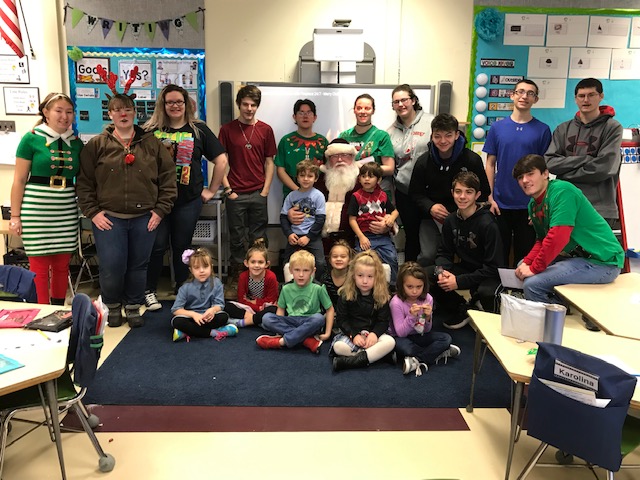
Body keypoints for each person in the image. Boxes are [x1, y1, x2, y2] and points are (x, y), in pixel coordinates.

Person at [77, 93, 177, 328]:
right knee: (112, 265)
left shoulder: (151, 143)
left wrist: (160, 211)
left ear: (134, 113)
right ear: (110, 114)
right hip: (109, 219)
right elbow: (84, 183)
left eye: (127, 109)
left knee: (138, 265)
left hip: (145, 218)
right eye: (117, 110)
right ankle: (112, 305)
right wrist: (93, 212)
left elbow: (168, 179)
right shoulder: (97, 145)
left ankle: (133, 306)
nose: (123, 113)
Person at [143, 84, 228, 310]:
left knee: (182, 246)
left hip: (188, 200)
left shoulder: (198, 129)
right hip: (157, 202)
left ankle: (182, 289)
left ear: (187, 104)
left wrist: (211, 190)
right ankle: (149, 290)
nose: (175, 106)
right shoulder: (150, 129)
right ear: (162, 104)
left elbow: (221, 160)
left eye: (179, 102)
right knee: (157, 246)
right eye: (170, 102)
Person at [513, 154, 624, 305]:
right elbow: (542, 240)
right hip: (575, 258)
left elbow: (558, 236)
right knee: (521, 266)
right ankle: (562, 303)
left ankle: (558, 322)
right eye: (520, 177)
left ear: (545, 174)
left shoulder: (563, 192)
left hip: (602, 262)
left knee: (533, 285)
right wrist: (527, 262)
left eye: (530, 174)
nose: (525, 180)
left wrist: (534, 268)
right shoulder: (533, 205)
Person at [9, 92, 83, 305]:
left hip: (66, 208)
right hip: (37, 209)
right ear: (46, 113)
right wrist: (15, 216)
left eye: (69, 112)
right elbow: (20, 180)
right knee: (39, 268)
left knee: (62, 266)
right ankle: (41, 311)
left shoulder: (76, 143)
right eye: (58, 111)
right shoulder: (31, 139)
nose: (64, 116)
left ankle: (58, 309)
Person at [483, 79, 552, 266]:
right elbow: (490, 164)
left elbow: (545, 170)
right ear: (512, 95)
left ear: (535, 99)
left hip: (529, 206)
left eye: (530, 93)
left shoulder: (543, 130)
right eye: (520, 92)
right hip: (500, 204)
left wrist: (539, 204)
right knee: (499, 254)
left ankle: (520, 294)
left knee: (525, 255)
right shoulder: (497, 128)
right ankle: (499, 294)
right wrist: (490, 197)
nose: (524, 96)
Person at [409, 113, 490, 267]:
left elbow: (484, 191)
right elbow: (415, 193)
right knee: (427, 256)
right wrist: (430, 207)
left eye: (448, 135)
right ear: (432, 136)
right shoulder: (423, 162)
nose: (443, 141)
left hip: (464, 217)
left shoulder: (472, 160)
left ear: (456, 135)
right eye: (438, 136)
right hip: (432, 217)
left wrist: (462, 209)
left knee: (469, 257)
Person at [426, 172, 505, 330]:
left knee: (487, 292)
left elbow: (494, 268)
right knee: (427, 275)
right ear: (452, 193)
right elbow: (443, 253)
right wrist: (442, 272)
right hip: (465, 267)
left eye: (468, 192)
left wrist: (459, 282)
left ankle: (486, 314)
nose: (462, 197)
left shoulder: (488, 224)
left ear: (477, 195)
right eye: (458, 191)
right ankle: (463, 307)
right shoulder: (450, 220)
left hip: (488, 274)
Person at [219, 85, 277, 298]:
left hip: (258, 193)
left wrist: (265, 190)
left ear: (257, 106)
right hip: (235, 193)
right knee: (236, 238)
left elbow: (270, 162)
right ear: (238, 104)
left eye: (253, 105)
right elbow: (220, 162)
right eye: (245, 104)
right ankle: (237, 279)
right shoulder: (227, 129)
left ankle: (261, 280)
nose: (249, 108)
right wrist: (227, 189)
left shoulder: (265, 130)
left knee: (259, 238)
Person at [545, 78, 623, 227]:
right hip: (566, 204)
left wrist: (565, 173)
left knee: (596, 251)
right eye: (581, 96)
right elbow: (550, 163)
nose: (586, 100)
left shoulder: (612, 128)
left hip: (600, 208)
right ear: (575, 99)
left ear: (601, 96)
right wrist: (586, 159)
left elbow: (604, 168)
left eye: (591, 95)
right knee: (564, 250)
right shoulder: (563, 129)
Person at [387, 84, 434, 262]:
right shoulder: (389, 133)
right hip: (405, 193)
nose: (401, 104)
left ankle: (433, 280)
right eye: (396, 102)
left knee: (431, 241)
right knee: (411, 237)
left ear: (413, 100)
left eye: (404, 100)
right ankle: (409, 279)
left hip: (430, 193)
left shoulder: (431, 122)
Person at [389, 262, 460, 376]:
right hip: (400, 337)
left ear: (424, 285)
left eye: (419, 287)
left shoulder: (428, 298)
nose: (414, 291)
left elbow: (426, 330)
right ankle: (436, 352)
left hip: (418, 335)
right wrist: (411, 316)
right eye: (410, 287)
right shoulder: (396, 302)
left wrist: (427, 317)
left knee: (446, 338)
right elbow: (401, 333)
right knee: (407, 349)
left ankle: (417, 360)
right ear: (402, 285)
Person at [258, 250, 334, 353]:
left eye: (306, 270)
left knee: (319, 318)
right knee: (266, 318)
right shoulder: (285, 288)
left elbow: (329, 310)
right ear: (290, 270)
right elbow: (281, 309)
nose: (301, 274)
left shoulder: (318, 288)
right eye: (297, 270)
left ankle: (283, 341)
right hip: (291, 321)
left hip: (309, 322)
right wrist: (278, 331)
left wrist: (328, 333)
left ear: (313, 271)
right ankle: (306, 340)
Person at [331, 250, 396, 372]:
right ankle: (375, 356)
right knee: (338, 347)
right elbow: (342, 319)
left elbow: (383, 321)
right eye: (360, 276)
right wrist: (353, 335)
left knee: (390, 342)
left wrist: (374, 334)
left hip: (373, 335)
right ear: (353, 275)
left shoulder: (381, 295)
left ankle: (350, 361)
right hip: (352, 335)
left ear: (377, 277)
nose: (365, 281)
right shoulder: (345, 294)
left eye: (370, 276)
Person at [171, 248, 238, 342]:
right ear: (191, 270)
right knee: (177, 321)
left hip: (208, 317)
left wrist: (212, 310)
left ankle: (188, 332)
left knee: (224, 317)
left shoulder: (217, 283)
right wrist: (194, 315)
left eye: (205, 266)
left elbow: (220, 305)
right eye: (197, 268)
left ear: (211, 267)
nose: (202, 271)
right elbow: (176, 309)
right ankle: (214, 333)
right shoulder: (185, 287)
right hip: (192, 318)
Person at [348, 162, 399, 282]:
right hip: (364, 237)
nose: (366, 179)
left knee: (392, 257)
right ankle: (358, 285)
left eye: (370, 176)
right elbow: (352, 219)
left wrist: (391, 218)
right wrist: (361, 237)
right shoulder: (356, 196)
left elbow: (395, 211)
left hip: (383, 237)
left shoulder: (383, 195)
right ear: (359, 179)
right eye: (363, 176)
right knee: (360, 260)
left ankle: (393, 286)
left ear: (379, 179)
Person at [339, 93, 395, 197]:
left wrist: (365, 169)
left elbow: (390, 168)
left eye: (367, 108)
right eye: (359, 108)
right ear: (354, 110)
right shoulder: (344, 136)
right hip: (349, 191)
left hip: (374, 193)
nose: (363, 111)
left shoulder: (381, 136)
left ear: (373, 111)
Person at [280, 160, 327, 277]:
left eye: (310, 176)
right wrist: (289, 234)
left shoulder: (318, 196)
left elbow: (320, 219)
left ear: (316, 179)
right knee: (286, 263)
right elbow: (284, 217)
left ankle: (317, 287)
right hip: (294, 236)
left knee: (320, 263)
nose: (306, 179)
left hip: (312, 236)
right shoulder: (291, 196)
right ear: (297, 177)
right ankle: (290, 286)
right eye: (302, 175)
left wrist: (309, 236)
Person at [275, 99, 328, 197]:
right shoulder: (286, 141)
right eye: (301, 113)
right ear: (294, 117)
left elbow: (328, 169)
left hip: (317, 196)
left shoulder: (323, 141)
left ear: (315, 117)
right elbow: (280, 170)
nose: (305, 116)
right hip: (291, 194)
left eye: (309, 112)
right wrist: (298, 191)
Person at [224, 238, 278, 327]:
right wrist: (255, 306)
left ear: (266, 264)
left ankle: (247, 321)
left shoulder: (271, 277)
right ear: (246, 263)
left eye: (260, 262)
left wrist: (254, 302)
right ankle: (256, 319)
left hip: (265, 307)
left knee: (274, 309)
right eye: (253, 262)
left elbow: (271, 300)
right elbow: (241, 299)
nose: (256, 265)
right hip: (250, 309)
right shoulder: (243, 276)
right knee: (227, 306)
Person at [319, 239, 354, 306]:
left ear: (349, 260)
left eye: (343, 257)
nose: (338, 259)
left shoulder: (354, 278)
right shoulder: (325, 278)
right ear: (329, 260)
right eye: (335, 256)